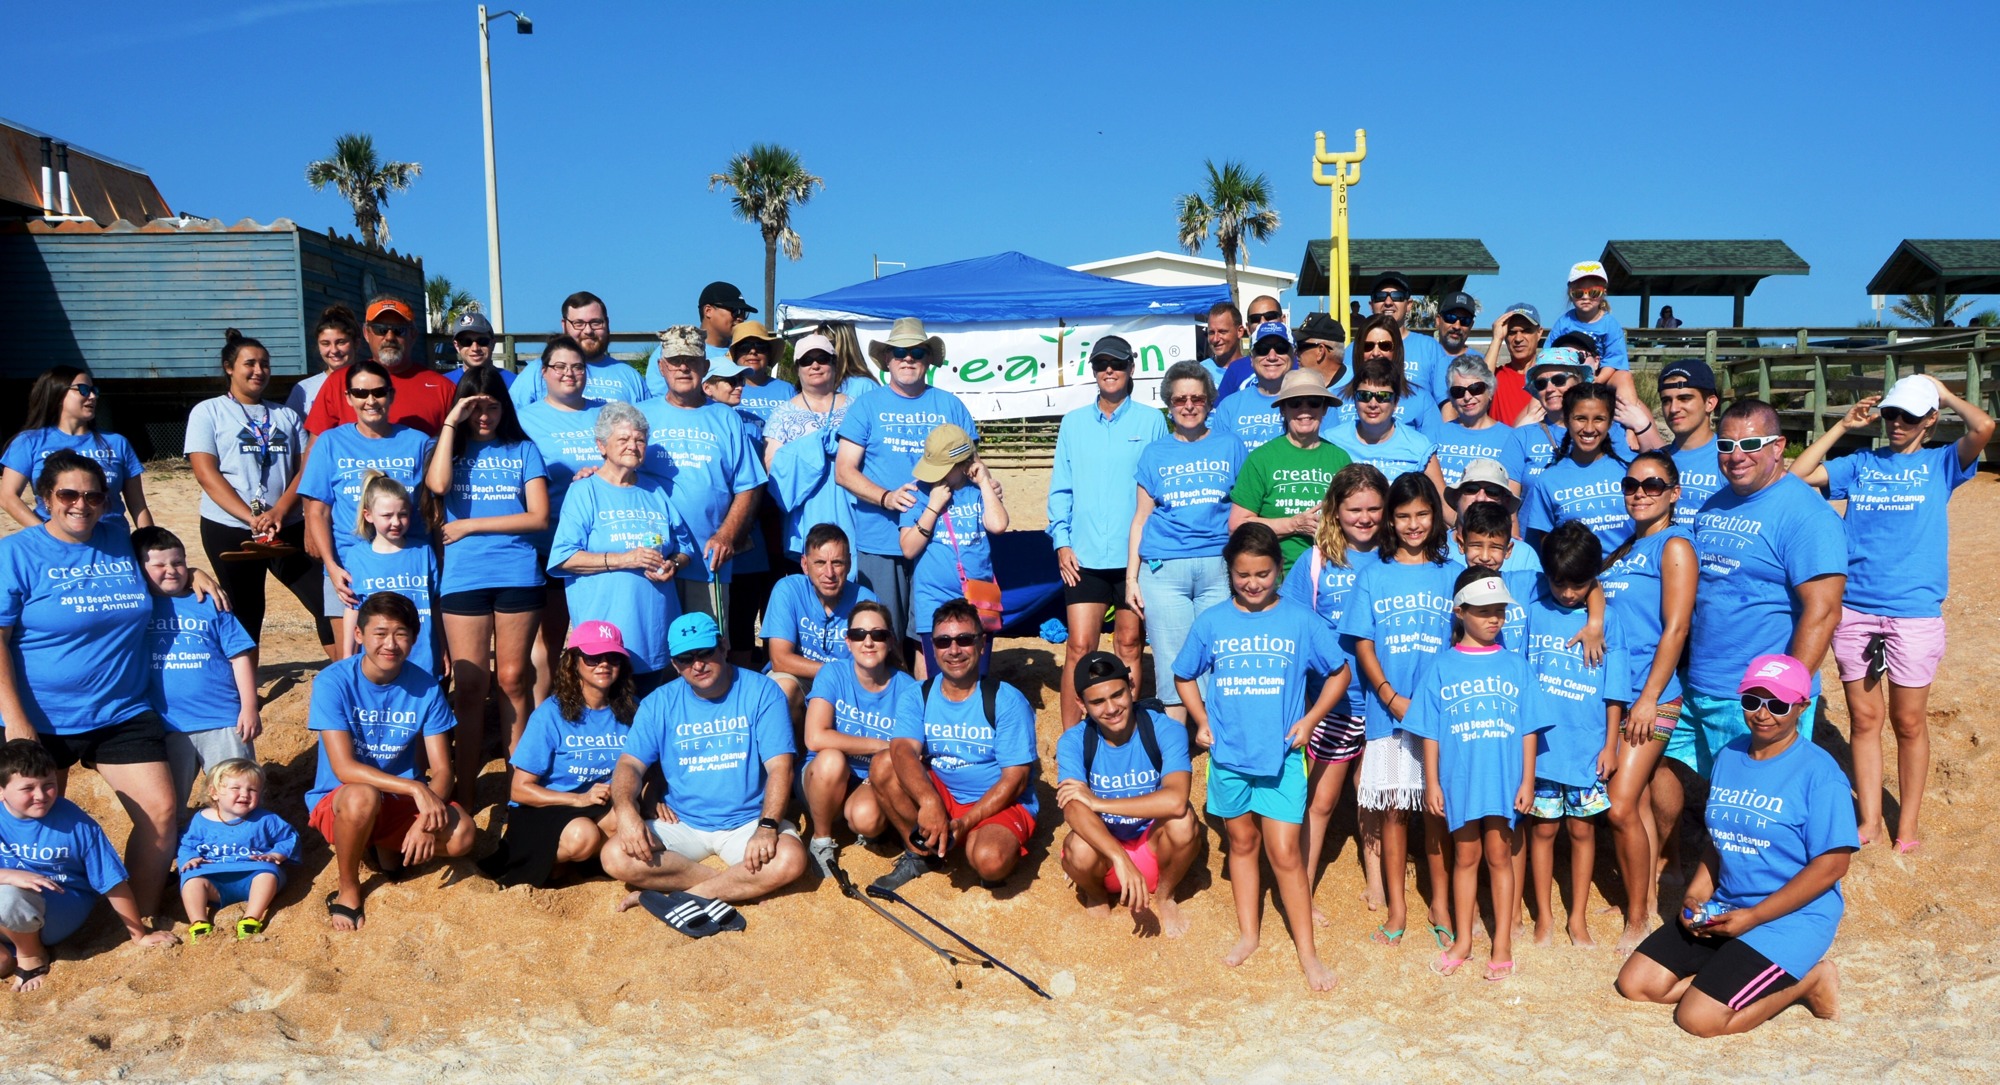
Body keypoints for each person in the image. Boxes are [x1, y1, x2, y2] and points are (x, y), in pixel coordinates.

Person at [1792, 374, 1993, 852]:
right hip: (1857, 607)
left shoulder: (1942, 463)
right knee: (1864, 719)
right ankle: (1870, 822)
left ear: (1929, 421)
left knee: (1908, 721)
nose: (1896, 423)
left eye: (1907, 415)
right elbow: (1797, 477)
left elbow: (1983, 426)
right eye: (1890, 414)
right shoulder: (1862, 463)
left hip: (1913, 612)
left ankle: (1907, 825)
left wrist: (1943, 395)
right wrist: (1843, 426)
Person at [1616, 655, 1854, 1037]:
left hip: (1789, 920)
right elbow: (1722, 837)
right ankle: (1720, 981)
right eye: (1752, 701)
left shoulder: (1820, 774)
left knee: (1699, 1020)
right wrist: (1695, 893)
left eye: (1778, 704)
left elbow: (1832, 866)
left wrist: (1755, 917)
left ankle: (1808, 980)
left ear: (1802, 707)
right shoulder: (1730, 755)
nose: (1763, 713)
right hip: (1728, 907)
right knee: (1637, 983)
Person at [0, 452, 187, 919]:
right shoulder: (17, 553)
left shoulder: (121, 538)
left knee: (162, 813)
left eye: (93, 495)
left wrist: (195, 574)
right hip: (42, 716)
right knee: (31, 822)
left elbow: (166, 563)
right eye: (68, 494)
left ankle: (136, 920)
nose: (81, 504)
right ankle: (36, 919)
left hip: (121, 709)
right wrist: (17, 721)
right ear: (45, 499)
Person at [1174, 523, 1347, 990]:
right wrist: (1201, 719)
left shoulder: (1300, 620)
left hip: (1283, 757)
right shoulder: (1212, 621)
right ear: (1229, 571)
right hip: (1230, 757)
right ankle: (1249, 933)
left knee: (1286, 852)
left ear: (1278, 569)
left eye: (1264, 574)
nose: (1253, 583)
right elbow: (1184, 674)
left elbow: (1339, 672)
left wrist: (1310, 721)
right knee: (1242, 844)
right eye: (1243, 574)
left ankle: (1308, 953)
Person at [1679, 399, 1845, 782]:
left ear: (1778, 446)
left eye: (1751, 444)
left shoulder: (1808, 517)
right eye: (1726, 445)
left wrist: (1782, 698)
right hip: (1696, 683)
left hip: (1756, 698)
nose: (1737, 456)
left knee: (1754, 806)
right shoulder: (1714, 505)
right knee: (1673, 782)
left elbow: (1823, 612)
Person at [603, 613, 806, 908]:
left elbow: (780, 767)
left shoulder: (762, 691)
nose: (697, 665)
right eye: (685, 659)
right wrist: (625, 810)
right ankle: (729, 885)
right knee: (614, 856)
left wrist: (767, 826)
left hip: (747, 821)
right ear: (675, 664)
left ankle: (684, 896)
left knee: (790, 858)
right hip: (683, 821)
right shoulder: (658, 702)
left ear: (723, 647)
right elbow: (630, 765)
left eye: (705, 653)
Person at [1338, 471, 1459, 950]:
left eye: (1422, 515)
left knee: (1436, 813)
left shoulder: (1452, 574)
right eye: (1403, 516)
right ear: (1391, 519)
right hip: (1388, 713)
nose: (1413, 525)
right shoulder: (1375, 573)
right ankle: (1397, 907)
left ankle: (1441, 903)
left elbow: (1465, 640)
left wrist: (1430, 702)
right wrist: (1388, 695)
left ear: (1435, 516)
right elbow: (1363, 642)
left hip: (1440, 716)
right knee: (1393, 812)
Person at [308, 591, 475, 931]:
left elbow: (443, 770)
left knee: (464, 835)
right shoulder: (333, 681)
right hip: (341, 797)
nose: (390, 644)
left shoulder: (427, 688)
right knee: (362, 795)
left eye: (401, 634)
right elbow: (344, 769)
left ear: (414, 639)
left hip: (399, 798)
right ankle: (349, 888)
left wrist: (424, 821)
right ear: (359, 635)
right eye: (380, 633)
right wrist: (416, 789)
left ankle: (382, 844)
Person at [1406, 570, 1542, 981]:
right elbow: (1428, 731)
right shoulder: (1441, 666)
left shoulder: (1516, 665)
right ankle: (1463, 941)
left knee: (1500, 856)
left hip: (1503, 780)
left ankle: (1502, 944)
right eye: (1484, 612)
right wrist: (1431, 782)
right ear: (1460, 612)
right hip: (1458, 780)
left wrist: (1528, 780)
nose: (1494, 619)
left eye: (1499, 611)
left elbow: (1529, 727)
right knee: (1465, 857)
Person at [426, 366, 549, 806]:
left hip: (517, 571)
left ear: (505, 407)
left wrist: (472, 525)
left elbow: (538, 517)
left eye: (492, 406)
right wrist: (450, 423)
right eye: (475, 407)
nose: (484, 416)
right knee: (471, 683)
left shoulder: (522, 450)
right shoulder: (449, 451)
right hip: (463, 578)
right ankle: (466, 787)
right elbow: (437, 485)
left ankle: (521, 786)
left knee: (514, 678)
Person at [1281, 463, 1389, 919]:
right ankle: (1301, 886)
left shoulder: (1396, 556)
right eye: (1353, 509)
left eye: (1373, 509)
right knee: (1323, 798)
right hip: (1334, 699)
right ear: (1334, 511)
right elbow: (1290, 622)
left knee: (1375, 794)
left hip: (1386, 698)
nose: (1364, 518)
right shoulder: (1317, 560)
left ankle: (1378, 885)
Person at [186, 328, 331, 663]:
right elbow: (206, 474)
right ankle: (242, 689)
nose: (258, 370)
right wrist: (249, 517)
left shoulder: (285, 415)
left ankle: (348, 670)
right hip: (230, 526)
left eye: (264, 364)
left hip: (286, 524)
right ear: (229, 367)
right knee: (246, 610)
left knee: (324, 598)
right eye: (249, 363)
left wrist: (279, 511)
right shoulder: (208, 412)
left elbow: (304, 470)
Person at [871, 600, 1037, 893]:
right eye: (944, 641)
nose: (954, 650)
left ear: (981, 644)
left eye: (964, 639)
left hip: (996, 801)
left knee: (990, 860)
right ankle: (922, 854)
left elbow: (1016, 779)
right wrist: (929, 801)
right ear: (933, 647)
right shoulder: (917, 694)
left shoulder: (1006, 700)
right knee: (883, 763)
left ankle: (971, 840)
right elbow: (902, 750)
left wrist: (968, 820)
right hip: (944, 793)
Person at [1601, 451, 1697, 953]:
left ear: (1673, 493)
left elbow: (1676, 628)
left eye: (1653, 484)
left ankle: (1640, 919)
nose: (1640, 492)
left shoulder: (1673, 545)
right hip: (1617, 694)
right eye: (1632, 484)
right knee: (1633, 801)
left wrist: (1649, 697)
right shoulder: (1624, 548)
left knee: (1617, 807)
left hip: (1651, 698)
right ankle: (1643, 890)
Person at [835, 318, 979, 647]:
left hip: (942, 541)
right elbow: (844, 470)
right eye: (899, 351)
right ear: (887, 358)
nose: (908, 358)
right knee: (885, 635)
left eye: (916, 351)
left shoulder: (950, 405)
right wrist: (886, 498)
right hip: (881, 541)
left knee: (938, 636)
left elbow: (972, 464)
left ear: (928, 358)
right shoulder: (867, 406)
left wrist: (987, 485)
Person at [1519, 521, 1627, 949]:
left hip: (1586, 749)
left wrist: (1611, 744)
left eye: (1578, 584)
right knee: (1542, 832)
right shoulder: (1532, 605)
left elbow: (1615, 690)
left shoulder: (1607, 621)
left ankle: (1576, 919)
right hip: (1542, 750)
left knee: (1583, 832)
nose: (1567, 593)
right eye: (1558, 582)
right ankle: (1545, 916)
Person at [1050, 334, 1164, 725]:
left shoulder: (1152, 421)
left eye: (1116, 363)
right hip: (1084, 556)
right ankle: (1070, 740)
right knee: (1079, 647)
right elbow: (1060, 487)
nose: (1109, 370)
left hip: (1136, 556)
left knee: (1129, 645)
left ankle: (1126, 735)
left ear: (1132, 367)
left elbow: (1161, 489)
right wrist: (1061, 543)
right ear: (1094, 371)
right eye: (1101, 365)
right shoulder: (1073, 423)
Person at [0, 740, 177, 990]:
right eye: (27, 788)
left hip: (58, 909)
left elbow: (112, 882)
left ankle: (31, 955)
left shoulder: (77, 824)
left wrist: (139, 935)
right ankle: (10, 953)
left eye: (49, 785)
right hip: (10, 909)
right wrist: (8, 875)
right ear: (1, 790)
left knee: (7, 897)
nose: (40, 795)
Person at [548, 401, 698, 696]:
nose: (633, 445)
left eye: (640, 439)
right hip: (603, 642)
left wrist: (674, 565)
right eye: (624, 439)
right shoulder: (584, 491)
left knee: (646, 720)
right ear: (601, 446)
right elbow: (564, 557)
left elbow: (685, 548)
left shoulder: (656, 492)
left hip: (653, 633)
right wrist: (624, 559)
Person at [1128, 361, 1247, 724]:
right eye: (1180, 399)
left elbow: (1243, 508)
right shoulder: (1154, 453)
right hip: (1164, 571)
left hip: (1218, 567)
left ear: (1210, 402)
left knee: (1217, 656)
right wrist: (1131, 579)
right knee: (1172, 661)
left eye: (1197, 397)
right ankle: (1177, 753)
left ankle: (1217, 744)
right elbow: (1141, 518)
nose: (1189, 405)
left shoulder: (1230, 445)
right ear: (1169, 404)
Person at [479, 621, 636, 888]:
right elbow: (519, 791)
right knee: (582, 837)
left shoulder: (631, 710)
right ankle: (537, 861)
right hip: (546, 807)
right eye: (593, 657)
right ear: (574, 663)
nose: (604, 664)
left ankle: (576, 864)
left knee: (623, 822)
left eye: (613, 657)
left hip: (597, 805)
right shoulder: (551, 713)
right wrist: (578, 799)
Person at [1056, 652, 1200, 937]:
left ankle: (1165, 895)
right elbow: (1072, 808)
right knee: (1077, 848)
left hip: (1154, 847)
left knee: (1183, 821)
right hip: (1106, 852)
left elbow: (1176, 800)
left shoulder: (1164, 729)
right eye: (1097, 702)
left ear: (1132, 687)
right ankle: (1096, 894)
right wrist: (1119, 857)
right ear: (1081, 705)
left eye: (1117, 695)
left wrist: (1097, 801)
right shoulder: (1074, 740)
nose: (1111, 708)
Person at [638, 326, 766, 628]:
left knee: (706, 654)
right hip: (649, 562)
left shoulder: (727, 419)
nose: (683, 367)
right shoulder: (638, 416)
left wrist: (726, 536)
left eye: (692, 360)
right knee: (652, 654)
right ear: (661, 367)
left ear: (705, 368)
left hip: (707, 564)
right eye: (675, 359)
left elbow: (749, 486)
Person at [298, 358, 437, 624]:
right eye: (361, 393)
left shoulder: (418, 442)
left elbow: (434, 504)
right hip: (349, 567)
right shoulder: (331, 442)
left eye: (379, 392)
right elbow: (318, 512)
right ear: (348, 398)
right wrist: (332, 567)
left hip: (408, 566)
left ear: (391, 394)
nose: (370, 400)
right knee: (350, 658)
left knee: (412, 652)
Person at [135, 526, 259, 807]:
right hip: (167, 723)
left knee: (236, 796)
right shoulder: (136, 606)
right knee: (168, 805)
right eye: (159, 565)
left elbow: (239, 655)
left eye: (178, 563)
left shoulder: (209, 602)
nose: (171, 570)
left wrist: (249, 706)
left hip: (223, 719)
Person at [800, 601, 921, 878]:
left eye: (877, 635)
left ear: (890, 640)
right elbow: (815, 737)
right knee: (831, 758)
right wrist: (881, 745)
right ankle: (821, 840)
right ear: (848, 641)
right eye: (858, 635)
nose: (868, 642)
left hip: (870, 778)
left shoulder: (907, 688)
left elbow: (913, 750)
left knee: (866, 818)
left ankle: (870, 827)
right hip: (822, 777)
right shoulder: (833, 673)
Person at [517, 336, 607, 703]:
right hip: (547, 541)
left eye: (577, 366)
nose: (569, 374)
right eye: (560, 367)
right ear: (543, 374)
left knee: (594, 632)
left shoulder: (606, 412)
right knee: (549, 636)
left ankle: (594, 708)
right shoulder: (526, 419)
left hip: (598, 542)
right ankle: (544, 711)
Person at [900, 424, 1010, 676]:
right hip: (934, 601)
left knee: (976, 674)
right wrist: (933, 507)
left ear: (963, 463)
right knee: (940, 675)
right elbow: (908, 548)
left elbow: (999, 525)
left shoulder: (978, 492)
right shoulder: (919, 493)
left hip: (978, 601)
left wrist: (984, 483)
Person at [1227, 369, 1353, 576]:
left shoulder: (1340, 458)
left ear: (1324, 409)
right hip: (1276, 578)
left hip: (1330, 572)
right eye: (1295, 403)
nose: (1305, 410)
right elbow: (1237, 526)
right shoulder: (1262, 459)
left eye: (1313, 402)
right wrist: (1293, 524)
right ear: (1283, 410)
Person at [0, 365, 150, 531]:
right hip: (55, 548)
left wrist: (149, 542)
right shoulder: (29, 441)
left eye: (94, 390)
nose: (92, 396)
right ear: (57, 394)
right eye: (83, 390)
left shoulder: (117, 443)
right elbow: (7, 496)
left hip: (112, 545)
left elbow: (138, 506)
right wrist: (45, 534)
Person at [762, 525, 877, 720]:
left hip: (847, 686)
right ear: (805, 565)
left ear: (849, 563)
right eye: (820, 563)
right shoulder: (788, 589)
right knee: (782, 689)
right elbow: (780, 659)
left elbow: (871, 664)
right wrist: (835, 671)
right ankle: (793, 750)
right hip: (803, 678)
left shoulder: (865, 601)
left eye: (837, 563)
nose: (829, 573)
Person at [175, 759, 298, 941]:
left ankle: (251, 919)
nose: (244, 794)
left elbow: (289, 837)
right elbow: (185, 843)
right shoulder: (200, 820)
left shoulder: (265, 819)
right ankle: (199, 923)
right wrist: (190, 858)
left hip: (252, 875)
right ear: (214, 793)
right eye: (236, 788)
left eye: (252, 790)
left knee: (268, 874)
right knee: (192, 880)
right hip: (214, 878)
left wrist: (275, 854)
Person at [764, 333, 862, 561]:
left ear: (834, 363)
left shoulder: (857, 408)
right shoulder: (782, 414)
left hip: (853, 513)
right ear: (798, 367)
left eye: (822, 358)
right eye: (807, 360)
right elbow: (772, 470)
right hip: (805, 515)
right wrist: (813, 449)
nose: (815, 365)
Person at [305, 297, 456, 437]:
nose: (389, 337)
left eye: (399, 330)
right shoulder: (339, 382)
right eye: (381, 329)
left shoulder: (443, 388)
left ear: (413, 334)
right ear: (366, 333)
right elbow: (315, 450)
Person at [339, 473, 438, 675]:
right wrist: (348, 653)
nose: (396, 522)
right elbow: (353, 607)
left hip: (422, 657)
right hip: (378, 658)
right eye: (387, 516)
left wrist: (443, 647)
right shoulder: (357, 556)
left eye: (402, 514)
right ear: (368, 515)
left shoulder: (424, 552)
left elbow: (435, 604)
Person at [1521, 383, 1633, 550]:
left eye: (1599, 419)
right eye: (1580, 418)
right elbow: (1548, 550)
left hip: (1633, 573)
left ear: (1610, 423)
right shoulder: (1548, 480)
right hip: (1575, 575)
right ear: (1567, 420)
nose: (1589, 429)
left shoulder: (1632, 470)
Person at [1548, 261, 1654, 433]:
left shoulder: (1610, 324)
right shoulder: (1563, 323)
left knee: (1625, 377)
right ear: (1570, 294)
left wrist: (1596, 380)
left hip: (1602, 373)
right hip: (1570, 372)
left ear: (1604, 293)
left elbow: (1614, 360)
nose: (1586, 297)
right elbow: (1549, 353)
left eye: (1594, 292)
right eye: (1578, 293)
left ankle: (1631, 428)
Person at [1328, 353, 1446, 500]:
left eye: (1383, 396)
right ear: (1354, 399)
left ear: (1396, 402)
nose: (1373, 404)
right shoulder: (1331, 442)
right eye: (1364, 395)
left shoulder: (1420, 447)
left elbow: (1443, 505)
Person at [511, 291, 650, 407]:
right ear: (564, 325)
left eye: (596, 323)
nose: (588, 331)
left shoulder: (630, 376)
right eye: (579, 323)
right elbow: (509, 423)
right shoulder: (539, 372)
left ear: (607, 323)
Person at [1344, 273, 1449, 418]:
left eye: (1397, 296)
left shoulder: (1430, 347)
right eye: (1380, 296)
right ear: (1371, 305)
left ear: (1409, 305)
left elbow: (1446, 404)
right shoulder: (1354, 348)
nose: (1388, 302)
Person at [1333, 315, 1438, 439]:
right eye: (1368, 346)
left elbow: (1431, 450)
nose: (1376, 353)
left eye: (1385, 346)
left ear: (1396, 350)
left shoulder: (1421, 399)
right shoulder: (1335, 399)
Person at [1432, 355, 1525, 489]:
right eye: (1458, 391)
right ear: (1450, 398)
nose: (1467, 397)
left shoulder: (1511, 438)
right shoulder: (1436, 435)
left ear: (1490, 391)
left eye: (1476, 388)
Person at [1212, 320, 1301, 450]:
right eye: (1262, 349)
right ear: (1252, 359)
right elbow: (1220, 455)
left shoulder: (1312, 401)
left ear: (1293, 355)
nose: (1272, 357)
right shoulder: (1229, 406)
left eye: (1281, 348)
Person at [1658, 358, 1726, 523]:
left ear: (1710, 403)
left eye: (1684, 398)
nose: (1673, 409)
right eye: (1666, 401)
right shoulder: (1656, 459)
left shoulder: (1732, 457)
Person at [1443, 459, 1534, 568]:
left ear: (1506, 501)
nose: (1481, 498)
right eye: (1471, 489)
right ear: (1457, 496)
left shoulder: (1524, 556)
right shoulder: (1433, 549)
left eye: (1492, 491)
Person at [287, 304, 362, 420]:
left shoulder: (372, 382)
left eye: (341, 342)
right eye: (325, 343)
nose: (334, 350)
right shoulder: (304, 389)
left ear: (356, 344)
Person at [1216, 296, 1292, 398]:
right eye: (1255, 319)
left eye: (1270, 316)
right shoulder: (1236, 369)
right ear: (1247, 327)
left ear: (1283, 320)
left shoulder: (1300, 365)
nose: (1263, 322)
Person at [1480, 303, 1542, 426]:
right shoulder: (1496, 375)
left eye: (1526, 331)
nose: (1518, 338)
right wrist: (1497, 339)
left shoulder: (1550, 379)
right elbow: (1479, 385)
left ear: (1539, 333)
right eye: (1512, 332)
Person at [443, 310, 513, 388]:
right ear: (456, 346)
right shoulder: (444, 384)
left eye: (482, 341)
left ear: (493, 344)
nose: (475, 348)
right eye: (466, 341)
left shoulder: (514, 384)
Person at [1293, 311, 1347, 391]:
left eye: (1300, 346)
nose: (1295, 352)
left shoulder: (1359, 385)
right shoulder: (1294, 387)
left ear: (1320, 351)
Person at [1199, 300, 1247, 389]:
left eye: (1222, 332)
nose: (1215, 339)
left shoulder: (1254, 369)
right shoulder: (1199, 372)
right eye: (1211, 333)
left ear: (1240, 331)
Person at [1434, 291, 1481, 362]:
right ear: (1438, 321)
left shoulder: (1482, 364)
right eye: (1450, 318)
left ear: (1471, 325)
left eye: (1465, 320)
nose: (1457, 326)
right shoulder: (1421, 358)